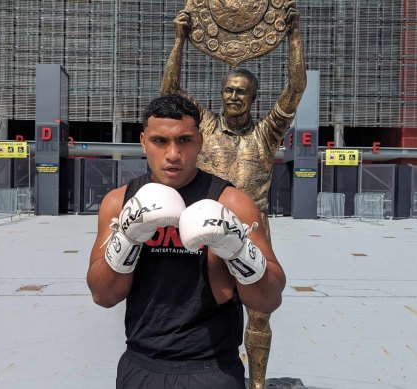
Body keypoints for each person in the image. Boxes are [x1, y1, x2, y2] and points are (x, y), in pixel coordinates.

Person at [87, 94, 286, 389]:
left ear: (200, 142)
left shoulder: (232, 202)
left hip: (212, 367)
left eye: (184, 140)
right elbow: (103, 295)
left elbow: (269, 298)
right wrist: (127, 238)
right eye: (159, 141)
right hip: (142, 363)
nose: (172, 154)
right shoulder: (119, 202)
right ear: (143, 142)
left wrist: (238, 250)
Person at [160, 3, 306, 388]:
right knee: (200, 302)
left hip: (253, 227)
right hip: (203, 227)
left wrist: (292, 37)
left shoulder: (266, 134)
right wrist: (179, 41)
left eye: (241, 92)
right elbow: (170, 93)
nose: (233, 97)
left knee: (259, 312)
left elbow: (295, 89)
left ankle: (256, 383)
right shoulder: (204, 125)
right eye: (228, 90)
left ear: (253, 98)